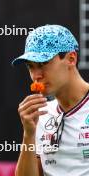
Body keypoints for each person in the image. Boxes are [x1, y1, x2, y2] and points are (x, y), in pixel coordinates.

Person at [11, 24, 89, 176]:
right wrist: (29, 134)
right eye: (30, 67)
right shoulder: (41, 114)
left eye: (43, 64)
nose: (36, 75)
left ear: (71, 59)